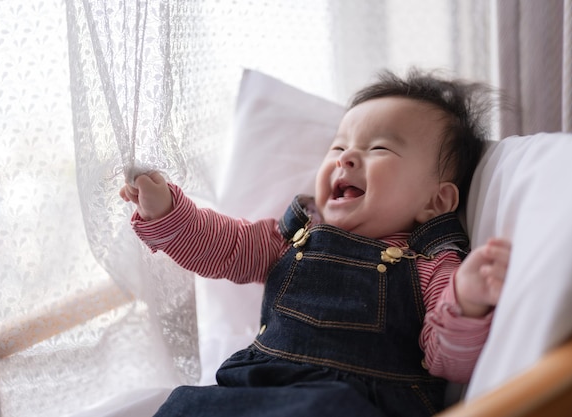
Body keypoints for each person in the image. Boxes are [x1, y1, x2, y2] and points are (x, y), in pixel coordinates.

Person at [120, 69, 511, 417]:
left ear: (436, 201)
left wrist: (468, 300)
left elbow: (449, 360)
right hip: (254, 389)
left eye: (379, 149)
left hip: (353, 401)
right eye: (338, 147)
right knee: (183, 404)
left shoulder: (431, 266)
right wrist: (169, 211)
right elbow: (225, 246)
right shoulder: (293, 236)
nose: (347, 158)